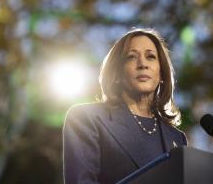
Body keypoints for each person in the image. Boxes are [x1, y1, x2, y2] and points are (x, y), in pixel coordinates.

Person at [63, 28, 187, 184]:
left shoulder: (176, 137)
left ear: (161, 74)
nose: (143, 64)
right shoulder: (86, 118)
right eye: (131, 57)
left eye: (150, 57)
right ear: (117, 73)